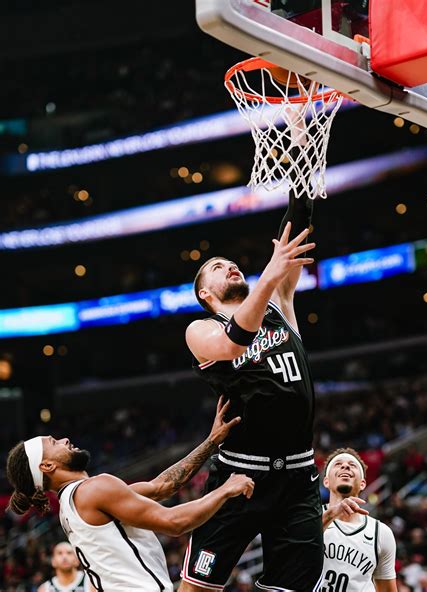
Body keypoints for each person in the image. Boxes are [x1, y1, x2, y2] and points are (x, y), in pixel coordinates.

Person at [182, 110, 321, 592]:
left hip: (300, 476)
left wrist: (303, 142)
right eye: (218, 268)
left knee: (294, 587)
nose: (230, 267)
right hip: (237, 478)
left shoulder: (280, 300)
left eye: (232, 262)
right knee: (197, 589)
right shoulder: (201, 328)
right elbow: (232, 342)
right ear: (206, 292)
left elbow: (297, 222)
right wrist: (268, 274)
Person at [6, 397, 255, 592]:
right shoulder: (94, 490)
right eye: (54, 442)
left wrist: (212, 441)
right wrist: (225, 490)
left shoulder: (76, 503)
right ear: (47, 466)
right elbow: (175, 523)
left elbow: (162, 486)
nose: (64, 439)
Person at [321, 447, 398, 592]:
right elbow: (295, 546)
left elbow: (387, 590)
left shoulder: (381, 533)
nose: (345, 466)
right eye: (338, 464)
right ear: (326, 481)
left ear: (363, 484)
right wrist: (332, 514)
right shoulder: (309, 516)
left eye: (352, 465)